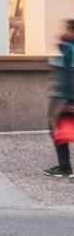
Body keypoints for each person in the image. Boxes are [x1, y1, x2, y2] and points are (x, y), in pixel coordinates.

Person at [44, 19, 74, 178]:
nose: (65, 32)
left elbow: (71, 75)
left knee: (58, 130)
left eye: (68, 29)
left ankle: (64, 167)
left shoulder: (70, 48)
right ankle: (64, 166)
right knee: (60, 130)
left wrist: (70, 101)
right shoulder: (68, 47)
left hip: (65, 97)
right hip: (63, 95)